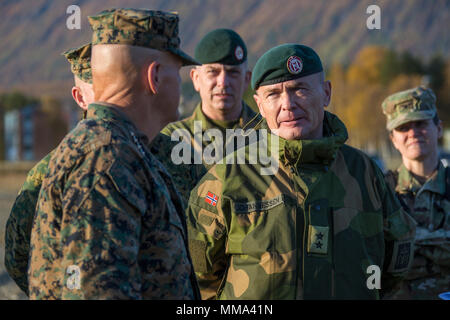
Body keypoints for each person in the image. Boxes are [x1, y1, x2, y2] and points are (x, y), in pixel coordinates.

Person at [186, 43, 416, 300]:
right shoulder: (227, 179)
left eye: (300, 89)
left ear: (326, 93)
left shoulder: (365, 174)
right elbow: (199, 277)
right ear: (260, 106)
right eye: (273, 94)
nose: (288, 104)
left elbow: (395, 261)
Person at [28, 8, 200, 300]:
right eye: (178, 70)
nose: (182, 84)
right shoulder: (106, 159)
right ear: (155, 76)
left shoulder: (121, 147)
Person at [4, 43, 94, 296]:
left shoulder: (157, 151)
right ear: (80, 98)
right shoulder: (49, 171)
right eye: (100, 89)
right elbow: (17, 254)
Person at [382, 86, 449, 299]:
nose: (413, 133)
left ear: (438, 129)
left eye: (420, 123)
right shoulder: (381, 193)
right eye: (403, 127)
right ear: (393, 139)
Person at [162, 28, 256, 173]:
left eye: (233, 73)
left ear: (246, 79)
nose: (223, 82)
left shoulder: (270, 136)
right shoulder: (171, 141)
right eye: (213, 72)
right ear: (196, 78)